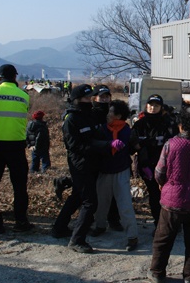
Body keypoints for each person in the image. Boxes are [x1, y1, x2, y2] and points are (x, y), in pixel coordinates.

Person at [148, 107, 190, 283]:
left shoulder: (170, 144)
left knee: (163, 238)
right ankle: (189, 276)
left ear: (181, 126)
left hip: (172, 200)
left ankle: (157, 272)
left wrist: (165, 185)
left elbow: (159, 172)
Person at [52, 84, 111, 253]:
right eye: (86, 98)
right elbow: (75, 146)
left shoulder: (88, 115)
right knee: (90, 202)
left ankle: (59, 228)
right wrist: (102, 146)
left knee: (77, 196)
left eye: (90, 98)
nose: (90, 101)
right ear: (77, 100)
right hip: (81, 164)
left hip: (91, 162)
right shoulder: (71, 119)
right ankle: (77, 240)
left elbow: (94, 135)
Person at [0, 64, 33, 234]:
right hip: (16, 146)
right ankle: (21, 221)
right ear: (15, 78)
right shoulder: (24, 95)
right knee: (19, 187)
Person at [92, 100, 139, 252]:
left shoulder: (128, 131)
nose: (108, 115)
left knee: (125, 204)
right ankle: (100, 226)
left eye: (110, 112)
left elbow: (133, 149)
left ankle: (132, 236)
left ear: (118, 115)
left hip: (121, 171)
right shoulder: (101, 130)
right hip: (104, 171)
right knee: (101, 202)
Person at [130, 94, 178, 232]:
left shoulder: (168, 124)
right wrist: (148, 143)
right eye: (150, 105)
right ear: (146, 106)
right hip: (147, 166)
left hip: (166, 166)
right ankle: (159, 225)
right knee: (154, 195)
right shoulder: (140, 124)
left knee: (168, 195)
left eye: (156, 105)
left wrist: (145, 143)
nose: (152, 108)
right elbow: (133, 145)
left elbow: (173, 143)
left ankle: (171, 223)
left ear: (161, 108)